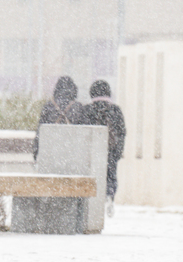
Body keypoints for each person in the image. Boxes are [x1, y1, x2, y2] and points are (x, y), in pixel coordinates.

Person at [83, 80, 126, 217]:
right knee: (110, 176)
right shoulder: (115, 110)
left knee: (91, 176)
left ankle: (91, 201)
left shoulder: (87, 110)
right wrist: (118, 152)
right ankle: (109, 195)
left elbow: (81, 133)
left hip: (91, 152)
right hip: (110, 150)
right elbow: (122, 132)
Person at [33, 75, 86, 160]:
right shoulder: (78, 107)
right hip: (72, 152)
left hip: (52, 150)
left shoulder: (49, 106)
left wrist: (36, 152)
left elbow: (40, 130)